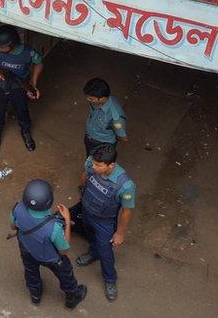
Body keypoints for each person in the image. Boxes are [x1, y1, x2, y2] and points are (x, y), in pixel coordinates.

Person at [10, 179, 87, 309]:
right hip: (51, 258)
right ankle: (72, 297)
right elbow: (64, 250)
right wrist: (67, 219)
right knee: (65, 274)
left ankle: (35, 294)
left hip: (26, 248)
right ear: (49, 201)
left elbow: (13, 227)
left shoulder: (17, 208)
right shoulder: (54, 227)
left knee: (30, 271)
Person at [75, 144, 136, 302]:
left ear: (111, 165)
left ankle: (110, 280)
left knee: (106, 252)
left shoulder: (125, 185)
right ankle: (93, 253)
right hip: (87, 212)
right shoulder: (91, 163)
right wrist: (81, 191)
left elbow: (126, 211)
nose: (93, 166)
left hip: (104, 221)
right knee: (90, 236)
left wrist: (120, 233)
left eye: (99, 165)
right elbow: (84, 176)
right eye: (94, 163)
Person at [0, 25, 42, 154]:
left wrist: (33, 84)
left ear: (13, 44)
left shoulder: (28, 52)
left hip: (19, 88)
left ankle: (25, 131)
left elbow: (39, 63)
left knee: (22, 111)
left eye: (3, 47)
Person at [82, 78, 127, 156]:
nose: (88, 99)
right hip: (89, 137)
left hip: (101, 144)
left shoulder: (115, 117)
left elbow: (122, 136)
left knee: (97, 164)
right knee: (89, 158)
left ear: (102, 98)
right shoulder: (96, 103)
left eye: (91, 98)